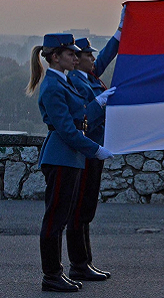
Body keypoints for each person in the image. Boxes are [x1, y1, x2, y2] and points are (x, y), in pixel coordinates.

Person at [25, 33, 114, 292]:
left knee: (62, 217)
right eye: (70, 54)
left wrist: (98, 104)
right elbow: (67, 129)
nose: (75, 57)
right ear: (55, 57)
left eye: (77, 54)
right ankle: (51, 274)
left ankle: (59, 272)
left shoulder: (63, 81)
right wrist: (95, 149)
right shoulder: (52, 86)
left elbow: (82, 115)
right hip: (61, 156)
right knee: (55, 218)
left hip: (70, 157)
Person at [65, 19, 121, 281]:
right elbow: (86, 117)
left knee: (86, 208)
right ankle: (79, 263)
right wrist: (101, 103)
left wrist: (120, 34)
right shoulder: (77, 80)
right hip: (88, 150)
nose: (93, 60)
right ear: (79, 59)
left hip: (94, 149)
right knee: (80, 209)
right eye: (88, 55)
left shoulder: (86, 75)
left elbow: (106, 58)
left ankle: (85, 261)